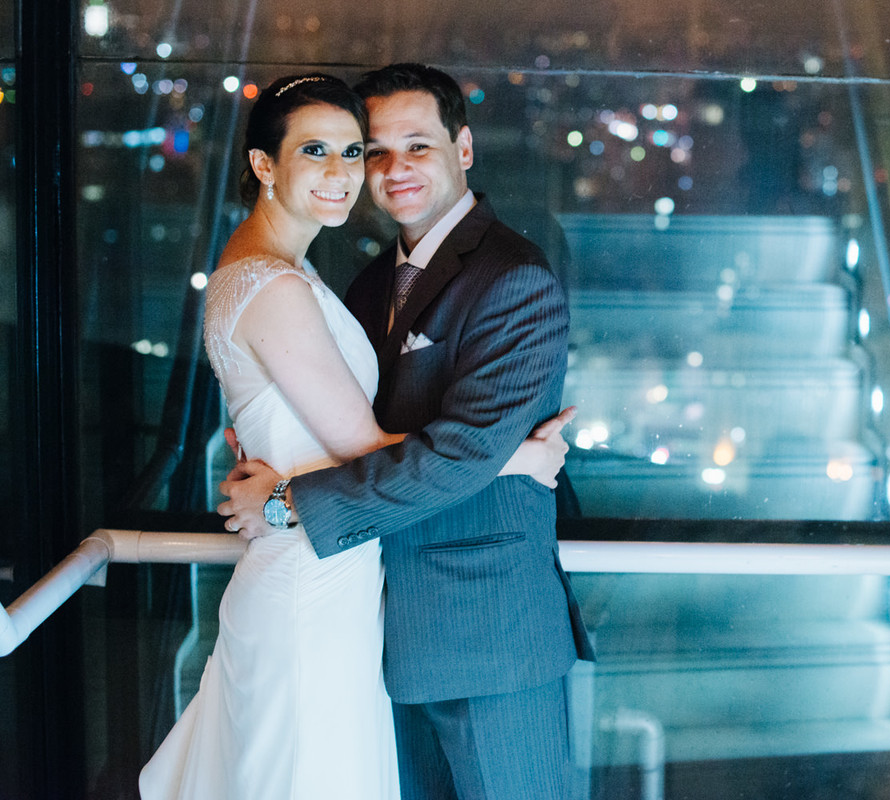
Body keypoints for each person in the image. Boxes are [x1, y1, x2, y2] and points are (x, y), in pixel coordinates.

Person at [139, 73, 572, 800]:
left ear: (464, 148)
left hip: (482, 633)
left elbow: (461, 446)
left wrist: (285, 501)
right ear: (264, 164)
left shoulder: (513, 276)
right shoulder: (359, 284)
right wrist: (519, 458)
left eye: (417, 145)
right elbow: (376, 439)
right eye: (371, 151)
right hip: (366, 615)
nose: (390, 168)